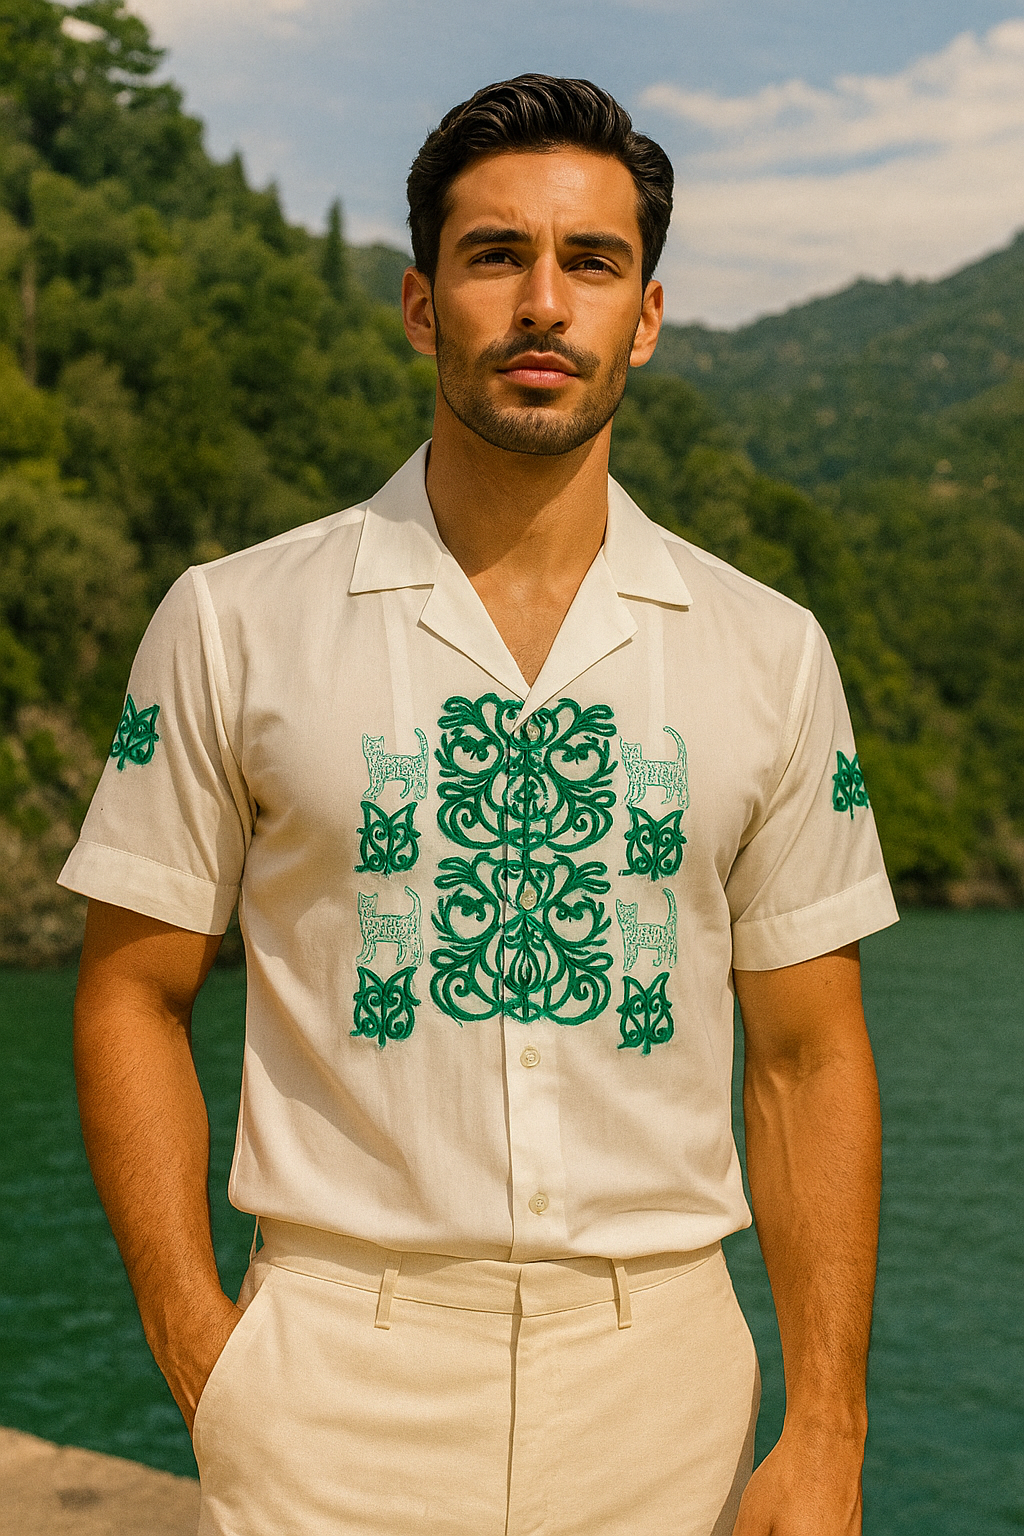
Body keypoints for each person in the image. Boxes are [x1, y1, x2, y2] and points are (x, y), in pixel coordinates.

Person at [62, 75, 897, 1536]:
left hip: (670, 1390)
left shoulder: (769, 651)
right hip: (327, 1378)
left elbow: (810, 1056)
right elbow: (133, 995)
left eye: (591, 262)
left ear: (643, 316)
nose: (542, 303)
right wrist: (205, 1346)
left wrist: (828, 1424)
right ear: (420, 304)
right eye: (496, 255)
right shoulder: (233, 622)